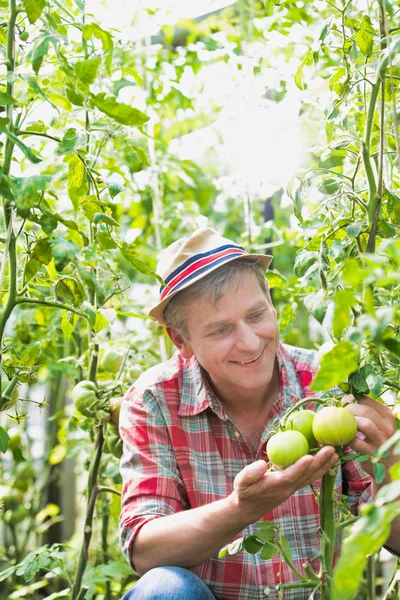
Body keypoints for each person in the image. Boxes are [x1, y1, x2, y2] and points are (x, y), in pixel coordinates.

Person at [118, 227, 399, 600]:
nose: (250, 343)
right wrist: (242, 509)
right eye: (221, 330)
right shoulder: (154, 400)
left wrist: (392, 465)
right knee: (163, 589)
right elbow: (143, 549)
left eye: (256, 315)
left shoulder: (329, 385)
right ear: (181, 340)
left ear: (271, 302)